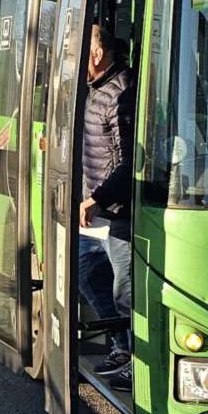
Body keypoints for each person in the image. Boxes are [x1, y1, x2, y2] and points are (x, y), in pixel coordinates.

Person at [80, 24, 135, 392]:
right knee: (84, 270)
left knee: (125, 292)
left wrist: (99, 198)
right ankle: (119, 345)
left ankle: (135, 362)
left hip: (118, 210)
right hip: (98, 207)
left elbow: (127, 161)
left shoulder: (123, 92)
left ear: (98, 54)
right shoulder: (94, 88)